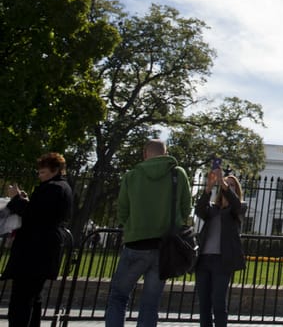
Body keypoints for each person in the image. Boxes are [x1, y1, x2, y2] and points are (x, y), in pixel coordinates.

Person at [105, 139, 190, 327]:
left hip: (136, 244)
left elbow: (122, 211)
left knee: (118, 297)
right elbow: (186, 208)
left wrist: (132, 227)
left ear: (145, 154)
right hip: (164, 247)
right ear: (166, 154)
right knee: (151, 303)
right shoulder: (178, 174)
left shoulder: (132, 176)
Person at [1, 153, 73, 327]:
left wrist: (16, 199)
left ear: (54, 170)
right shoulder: (60, 187)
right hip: (43, 247)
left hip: (35, 249)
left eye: (43, 172)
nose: (40, 176)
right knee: (33, 296)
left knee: (22, 298)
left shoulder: (53, 188)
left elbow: (35, 214)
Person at [194, 167, 246, 327]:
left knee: (218, 302)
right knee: (204, 304)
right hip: (203, 260)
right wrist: (209, 187)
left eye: (231, 185)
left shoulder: (238, 209)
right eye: (224, 184)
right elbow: (199, 210)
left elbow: (236, 204)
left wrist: (222, 182)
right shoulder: (212, 209)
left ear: (235, 190)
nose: (226, 186)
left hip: (222, 262)